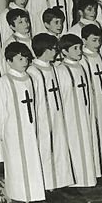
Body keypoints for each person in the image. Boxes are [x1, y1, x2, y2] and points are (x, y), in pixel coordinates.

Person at [0, 42, 46, 203]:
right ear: (9, 61)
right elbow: (0, 109)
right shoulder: (4, 81)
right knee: (15, 162)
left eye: (26, 58)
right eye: (20, 58)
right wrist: (2, 132)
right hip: (12, 130)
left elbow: (36, 104)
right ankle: (18, 195)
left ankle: (34, 193)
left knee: (31, 159)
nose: (24, 61)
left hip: (29, 127)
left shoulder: (30, 78)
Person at [27, 33, 75, 191]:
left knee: (60, 147)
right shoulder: (33, 72)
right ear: (44, 50)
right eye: (53, 49)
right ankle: (47, 185)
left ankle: (61, 182)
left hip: (56, 114)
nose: (56, 51)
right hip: (42, 117)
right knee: (46, 149)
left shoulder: (55, 69)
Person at [56, 34, 98, 187]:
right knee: (74, 145)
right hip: (70, 115)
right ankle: (75, 181)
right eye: (75, 48)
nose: (79, 51)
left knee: (85, 142)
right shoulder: (61, 70)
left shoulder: (81, 66)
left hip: (83, 111)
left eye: (80, 47)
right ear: (65, 51)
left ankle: (87, 178)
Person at [81, 24, 102, 177]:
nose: (98, 44)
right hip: (92, 102)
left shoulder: (100, 55)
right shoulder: (83, 58)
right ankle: (96, 168)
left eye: (99, 41)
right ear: (84, 41)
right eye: (94, 40)